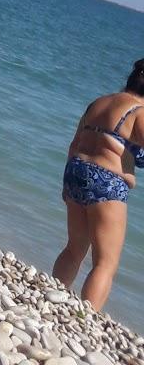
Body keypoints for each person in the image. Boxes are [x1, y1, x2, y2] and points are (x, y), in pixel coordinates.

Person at [53, 58, 144, 312]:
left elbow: (75, 144)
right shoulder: (139, 111)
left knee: (74, 248)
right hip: (105, 182)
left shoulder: (99, 102)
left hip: (75, 171)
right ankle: (85, 318)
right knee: (105, 263)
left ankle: (51, 296)